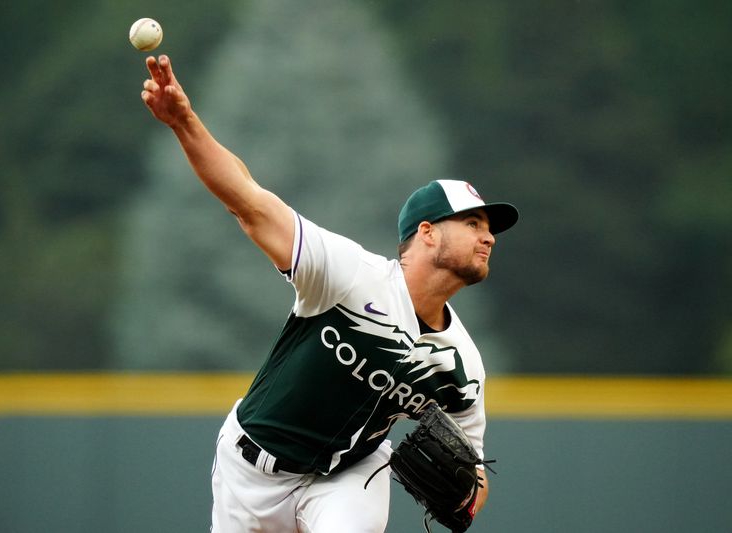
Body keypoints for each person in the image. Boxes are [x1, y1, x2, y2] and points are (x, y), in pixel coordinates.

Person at [140, 54, 519, 532]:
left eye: (489, 229)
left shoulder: (460, 364)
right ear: (427, 233)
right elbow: (249, 201)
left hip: (346, 477)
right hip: (248, 471)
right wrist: (183, 121)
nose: (488, 237)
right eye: (472, 223)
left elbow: (475, 473)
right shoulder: (349, 276)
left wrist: (466, 499)